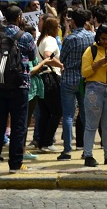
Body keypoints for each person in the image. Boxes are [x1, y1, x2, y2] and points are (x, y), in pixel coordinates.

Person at [0, 5, 36, 174]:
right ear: (19, 17)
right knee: (18, 125)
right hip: (20, 85)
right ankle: (15, 163)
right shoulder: (26, 36)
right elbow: (32, 55)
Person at [80, 24, 107, 167]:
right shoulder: (90, 51)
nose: (105, 42)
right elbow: (85, 72)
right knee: (91, 125)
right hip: (94, 89)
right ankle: (88, 155)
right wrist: (101, 62)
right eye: (103, 38)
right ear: (98, 37)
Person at [57, 8, 93, 161]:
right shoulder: (91, 36)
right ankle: (86, 148)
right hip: (85, 78)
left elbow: (62, 58)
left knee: (68, 115)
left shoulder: (70, 39)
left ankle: (67, 149)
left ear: (73, 21)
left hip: (69, 78)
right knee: (85, 114)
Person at [34, 15, 62, 151]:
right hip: (50, 77)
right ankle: (48, 141)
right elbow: (47, 55)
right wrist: (61, 65)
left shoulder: (41, 40)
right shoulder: (50, 40)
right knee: (57, 111)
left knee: (45, 112)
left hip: (41, 77)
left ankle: (42, 141)